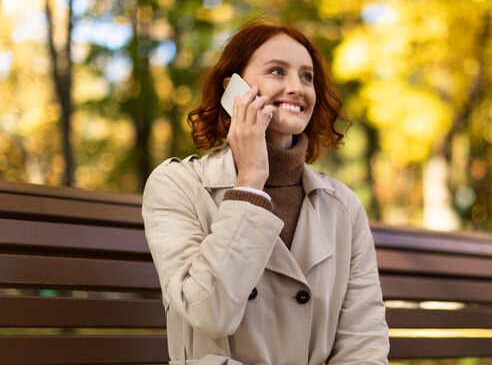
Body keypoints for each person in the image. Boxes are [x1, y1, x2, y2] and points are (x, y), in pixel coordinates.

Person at [142, 19, 389, 365]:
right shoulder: (178, 185)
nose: (297, 88)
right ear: (234, 89)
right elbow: (210, 312)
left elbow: (364, 342)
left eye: (307, 77)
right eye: (277, 71)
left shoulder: (343, 206)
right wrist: (251, 180)